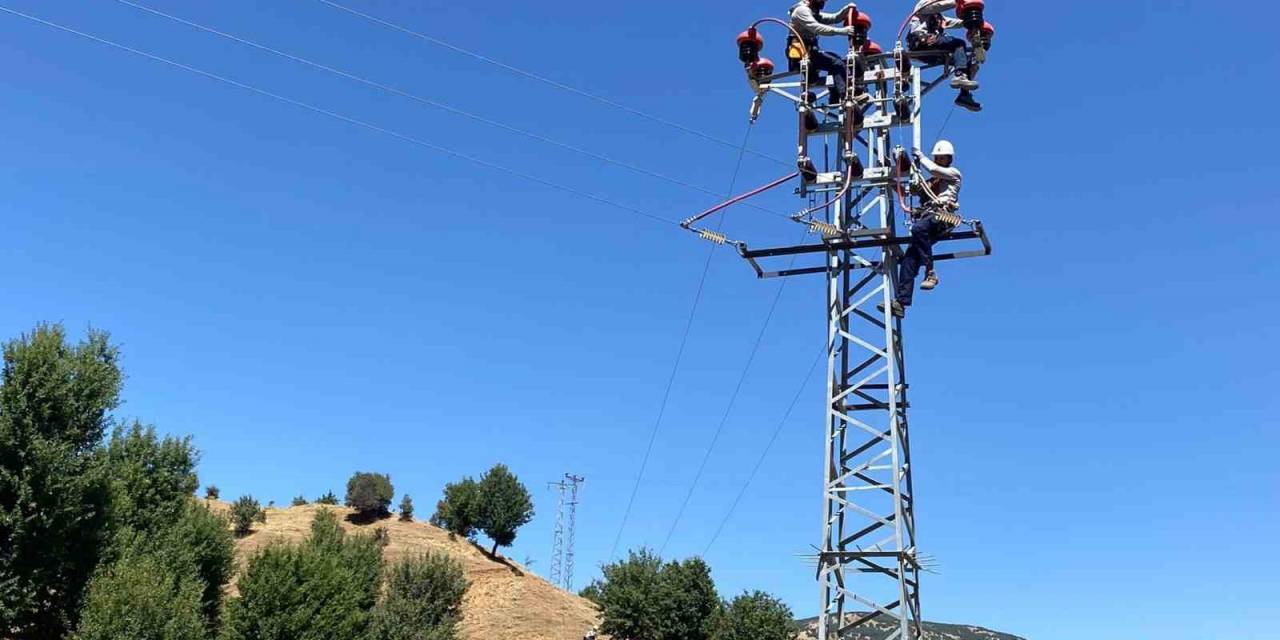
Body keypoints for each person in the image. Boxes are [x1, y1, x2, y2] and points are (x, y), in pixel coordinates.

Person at [885, 140, 963, 318]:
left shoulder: (953, 174)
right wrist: (892, 182)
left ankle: (930, 272)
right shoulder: (929, 182)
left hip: (943, 217)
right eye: (938, 157)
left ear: (949, 159)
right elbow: (908, 192)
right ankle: (901, 303)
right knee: (908, 260)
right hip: (928, 220)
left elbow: (934, 170)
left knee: (918, 229)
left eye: (943, 158)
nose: (940, 160)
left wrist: (920, 157)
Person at [907, 0, 983, 112]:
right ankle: (960, 76)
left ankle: (964, 95)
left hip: (933, 51)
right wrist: (958, 2)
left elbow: (957, 23)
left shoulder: (940, 18)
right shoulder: (923, 6)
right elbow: (936, 6)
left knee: (968, 61)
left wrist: (973, 21)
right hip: (920, 42)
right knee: (958, 43)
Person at [789, 0, 864, 107]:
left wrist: (845, 10)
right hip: (802, 56)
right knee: (836, 63)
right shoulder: (802, 11)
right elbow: (817, 28)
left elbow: (834, 18)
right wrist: (842, 31)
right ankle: (845, 96)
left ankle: (835, 96)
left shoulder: (812, 12)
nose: (823, 2)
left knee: (836, 61)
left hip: (811, 53)